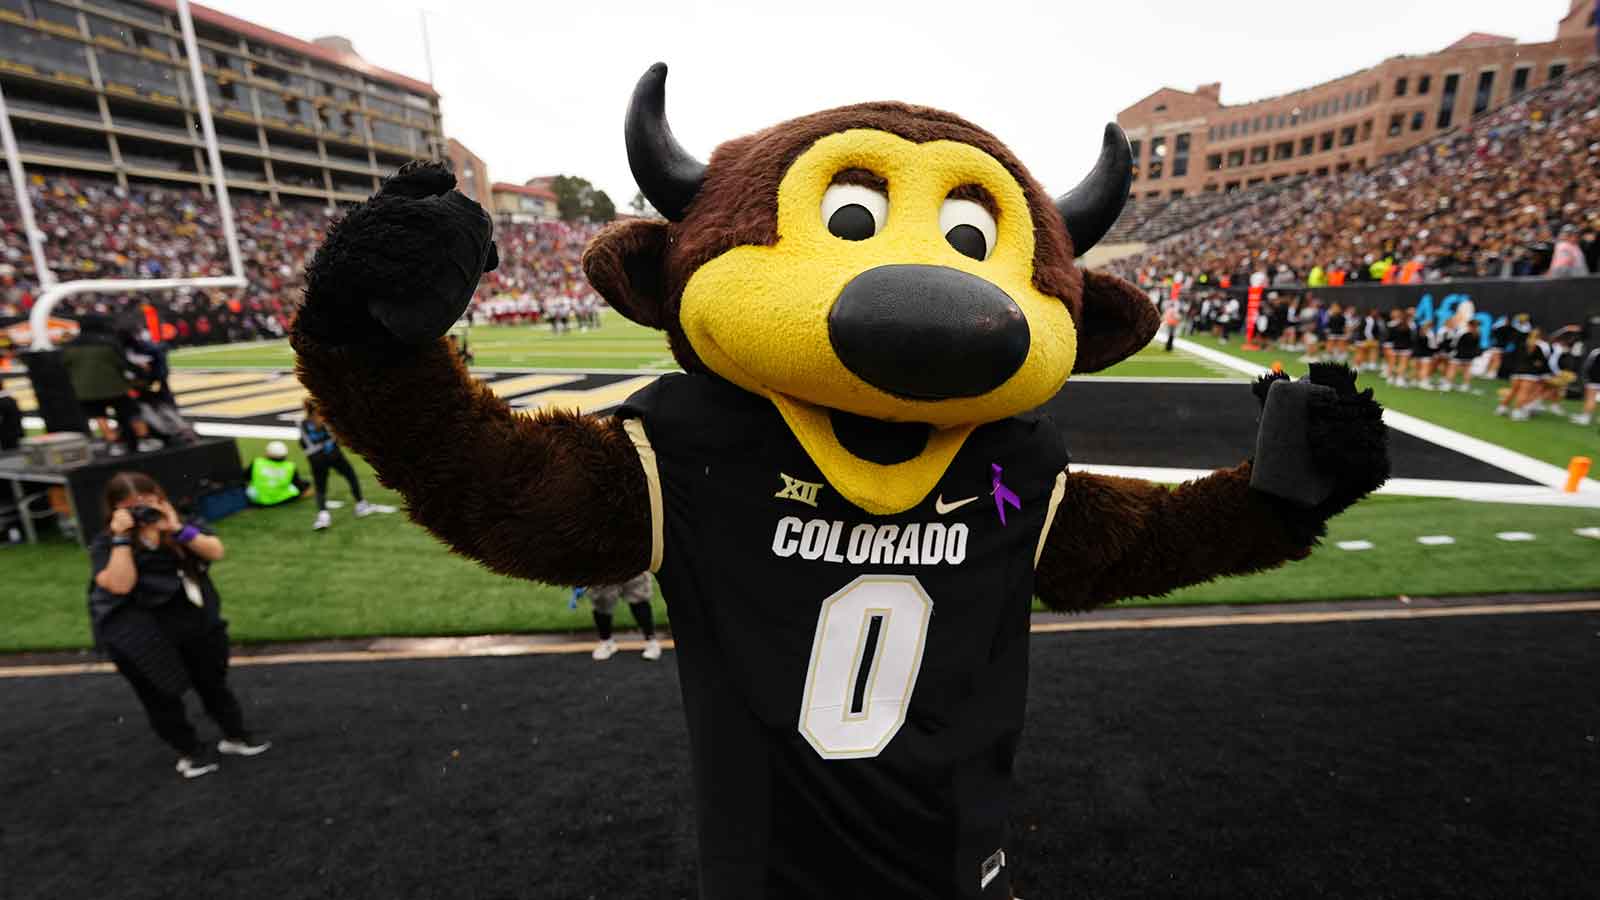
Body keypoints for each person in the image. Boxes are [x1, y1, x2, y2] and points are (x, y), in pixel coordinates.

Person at [88, 471, 270, 778]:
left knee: (213, 682)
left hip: (194, 623)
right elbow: (119, 584)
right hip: (143, 634)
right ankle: (189, 750)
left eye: (148, 501)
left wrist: (176, 529)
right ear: (116, 509)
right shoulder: (106, 542)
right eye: (133, 506)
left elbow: (215, 551)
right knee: (161, 695)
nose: (143, 510)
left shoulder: (179, 526)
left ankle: (234, 734)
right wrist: (122, 538)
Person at [300, 397, 373, 531]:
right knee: (350, 476)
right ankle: (361, 505)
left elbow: (304, 444)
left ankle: (323, 516)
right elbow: (337, 437)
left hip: (317, 460)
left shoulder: (303, 424)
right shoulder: (327, 421)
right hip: (333, 455)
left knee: (320, 487)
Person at [586, 572, 663, 661]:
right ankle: (606, 641)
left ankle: (651, 641)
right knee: (602, 600)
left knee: (638, 596)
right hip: (602, 565)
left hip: (632, 562)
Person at [243, 440, 307, 507]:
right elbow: (299, 485)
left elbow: (245, 477)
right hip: (281, 499)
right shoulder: (290, 466)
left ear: (267, 453)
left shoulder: (257, 462)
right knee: (299, 486)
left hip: (257, 499)